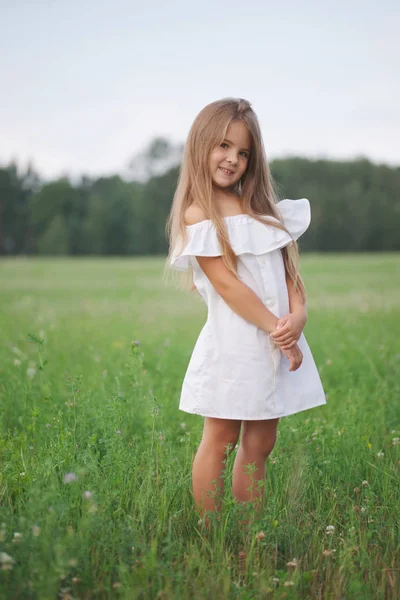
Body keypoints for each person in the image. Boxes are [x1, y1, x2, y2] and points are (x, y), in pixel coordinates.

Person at [165, 97, 326, 528]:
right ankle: (211, 530)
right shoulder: (199, 213)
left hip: (276, 338)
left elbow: (288, 271)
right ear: (200, 145)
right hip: (235, 344)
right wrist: (279, 329)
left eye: (243, 152)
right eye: (223, 146)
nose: (232, 159)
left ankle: (247, 530)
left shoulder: (260, 209)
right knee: (220, 437)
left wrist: (299, 317)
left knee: (262, 440)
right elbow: (229, 287)